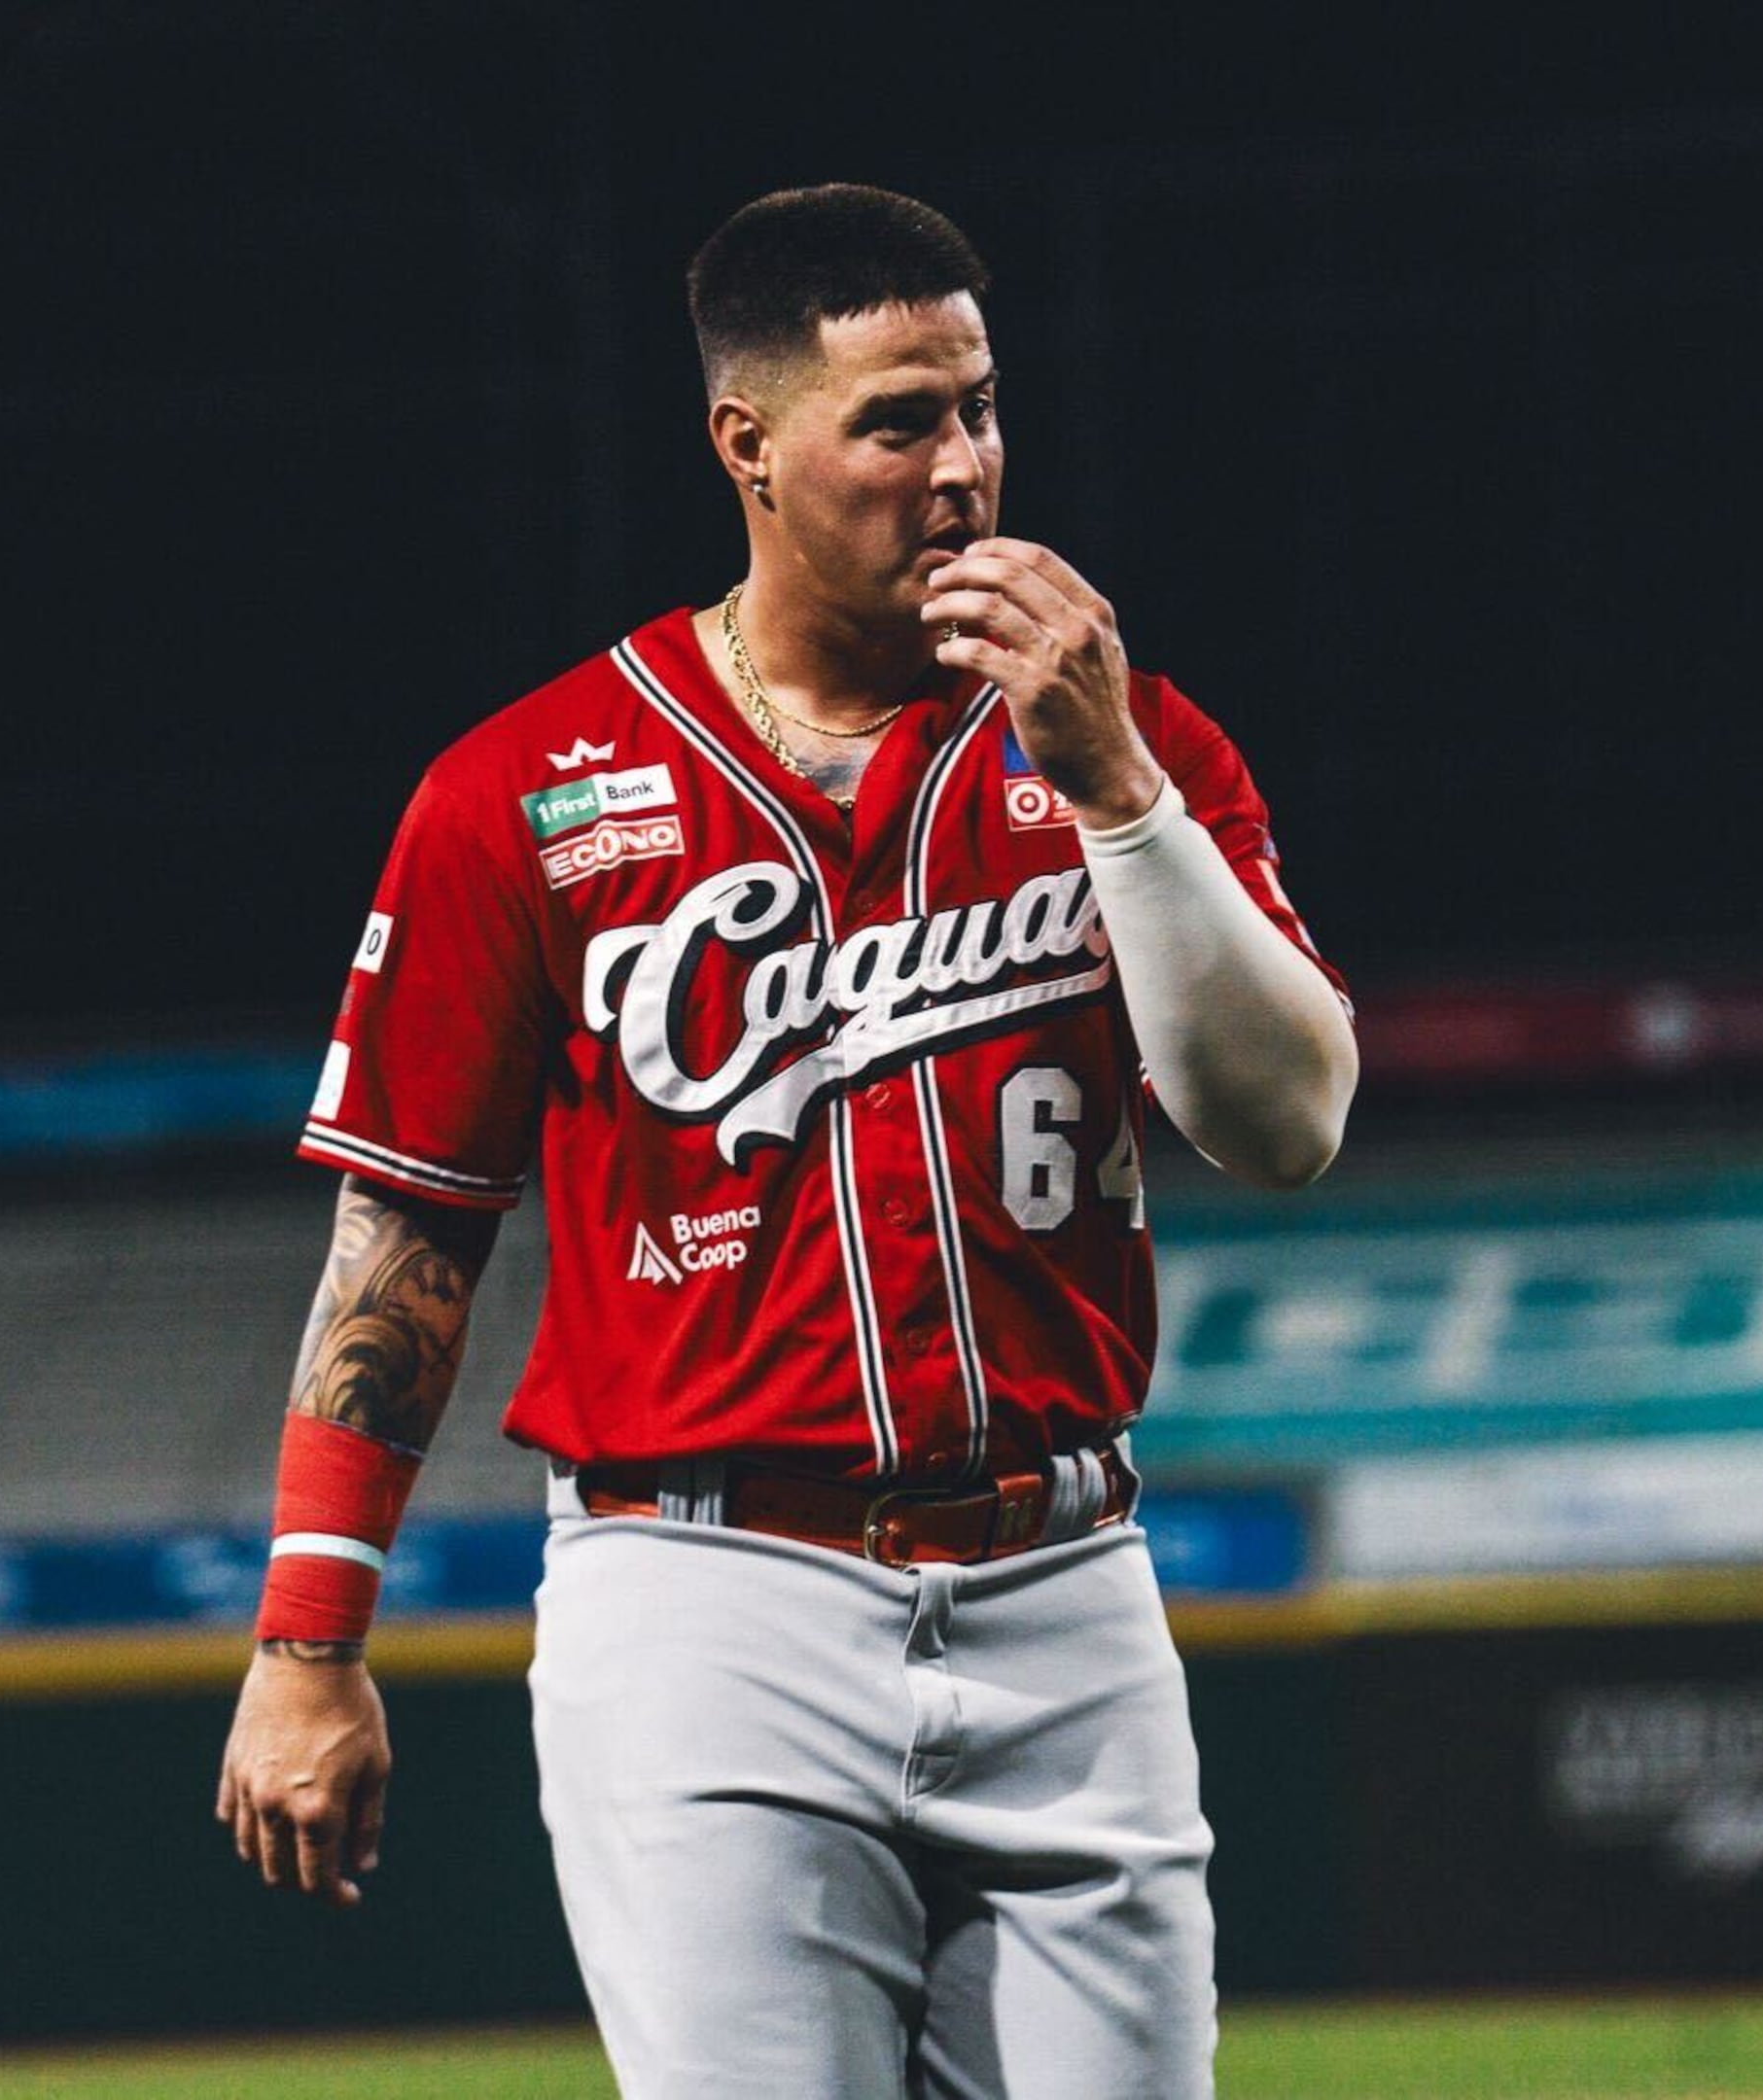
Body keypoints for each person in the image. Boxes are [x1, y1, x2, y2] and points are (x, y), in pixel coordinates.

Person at [216, 181, 1358, 2099]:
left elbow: (1287, 1124)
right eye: (896, 423)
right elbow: (407, 1243)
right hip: (709, 1602)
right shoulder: (527, 793)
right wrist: (306, 1640)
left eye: (978, 407)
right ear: (746, 447)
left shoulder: (1121, 744)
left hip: (1065, 1583)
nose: (962, 469)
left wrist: (1117, 792)